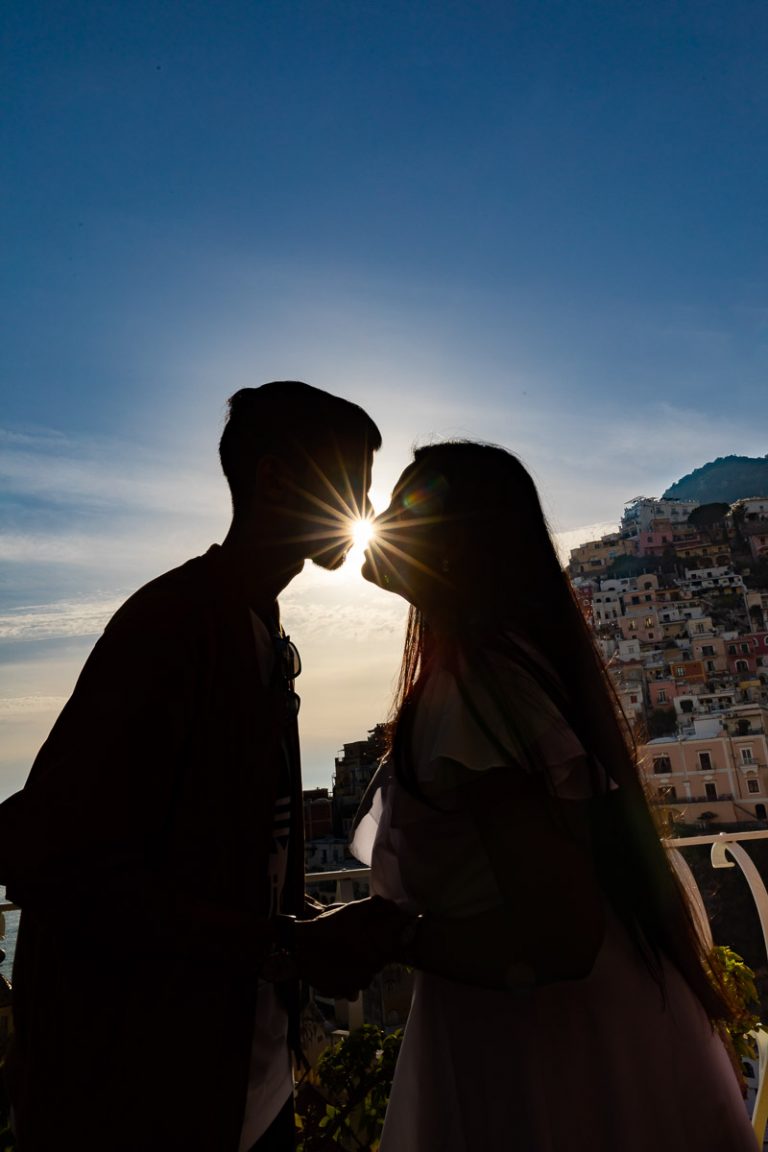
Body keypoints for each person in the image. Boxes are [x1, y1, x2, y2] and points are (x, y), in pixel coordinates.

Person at [0, 382, 406, 1152]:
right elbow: (55, 860)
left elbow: (223, 862)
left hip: (243, 1089)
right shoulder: (170, 629)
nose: (366, 502)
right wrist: (286, 946)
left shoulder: (257, 630)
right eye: (351, 478)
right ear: (274, 478)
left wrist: (301, 929)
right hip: (148, 1096)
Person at [352, 441, 757, 1152]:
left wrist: (389, 937)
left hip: (540, 1056)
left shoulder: (481, 689)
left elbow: (557, 936)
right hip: (580, 1035)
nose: (380, 519)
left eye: (404, 506)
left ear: (454, 545)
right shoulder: (502, 671)